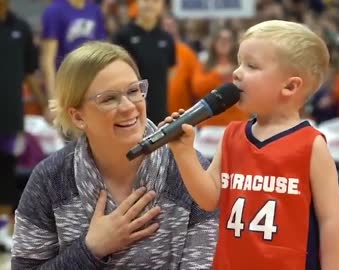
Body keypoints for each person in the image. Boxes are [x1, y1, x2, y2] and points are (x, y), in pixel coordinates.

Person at [11, 41, 218, 268]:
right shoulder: (50, 179)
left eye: (133, 91)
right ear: (78, 117)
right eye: (109, 99)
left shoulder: (191, 170)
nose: (129, 107)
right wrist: (91, 249)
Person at [167, 20, 339, 270]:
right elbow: (209, 199)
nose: (237, 73)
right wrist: (183, 152)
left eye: (251, 66)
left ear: (290, 86)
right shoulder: (231, 135)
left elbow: (330, 222)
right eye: (239, 63)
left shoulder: (312, 145)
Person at [0, 0, 43, 252]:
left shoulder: (22, 28)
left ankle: (3, 230)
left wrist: (43, 104)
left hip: (10, 117)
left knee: (6, 173)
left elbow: (29, 72)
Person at [113, 0, 176, 124]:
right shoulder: (123, 36)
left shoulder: (166, 39)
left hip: (159, 110)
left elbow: (171, 71)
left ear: (162, 6)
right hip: (130, 109)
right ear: (137, 3)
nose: (150, 4)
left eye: (155, 1)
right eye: (146, 0)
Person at [41, 0, 107, 100]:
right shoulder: (54, 11)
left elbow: (103, 51)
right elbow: (48, 59)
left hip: (92, 80)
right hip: (67, 82)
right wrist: (52, 98)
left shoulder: (94, 9)